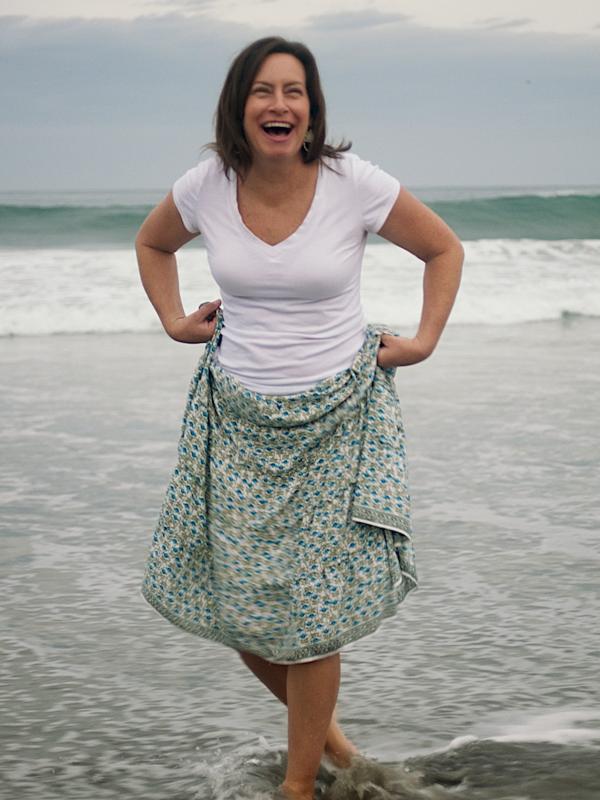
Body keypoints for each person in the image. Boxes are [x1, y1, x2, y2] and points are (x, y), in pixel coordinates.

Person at [135, 36, 463, 800]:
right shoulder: (206, 184)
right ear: (238, 105)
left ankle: (298, 787)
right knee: (236, 601)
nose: (278, 105)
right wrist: (175, 320)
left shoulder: (355, 183)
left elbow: (443, 249)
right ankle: (337, 750)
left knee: (309, 613)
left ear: (312, 107)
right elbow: (153, 244)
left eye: (293, 91)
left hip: (337, 416)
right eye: (262, 91)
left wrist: (421, 343)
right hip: (236, 419)